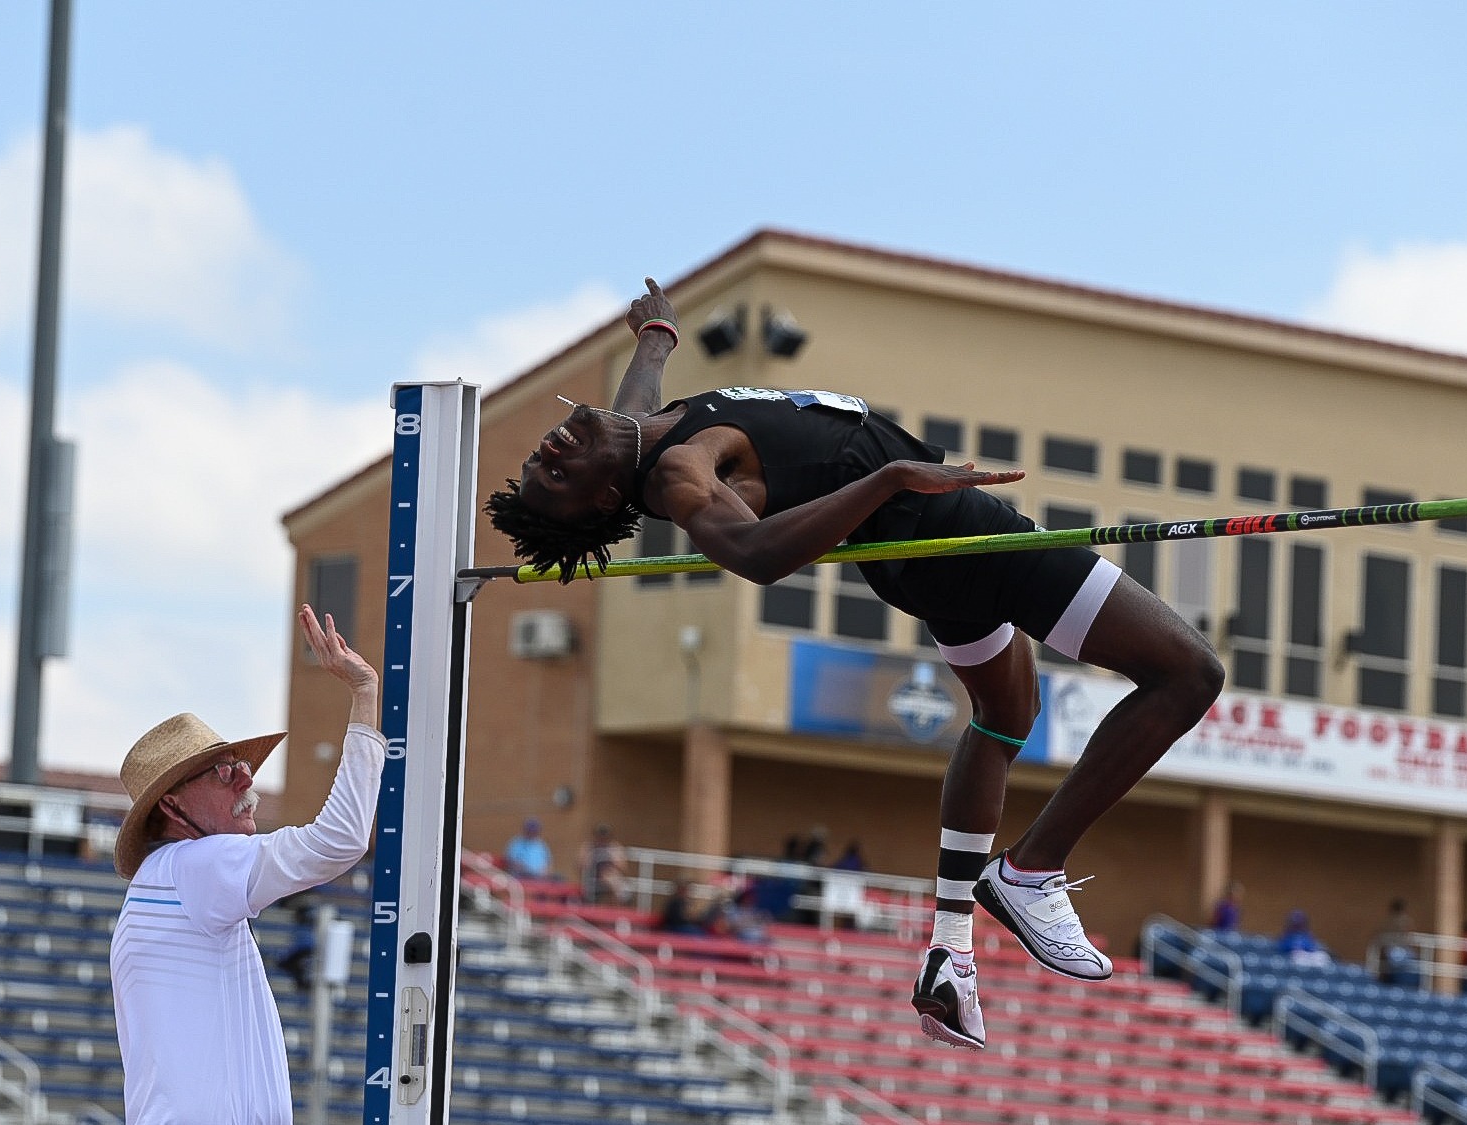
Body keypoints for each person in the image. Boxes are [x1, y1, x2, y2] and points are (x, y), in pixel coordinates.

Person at [485, 280, 1224, 1051]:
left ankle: (950, 950)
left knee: (1006, 717)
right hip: (955, 532)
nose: (551, 451)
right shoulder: (681, 474)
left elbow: (632, 407)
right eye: (556, 475)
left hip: (920, 557)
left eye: (542, 458)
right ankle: (1032, 868)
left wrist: (658, 335)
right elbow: (756, 555)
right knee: (1188, 673)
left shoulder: (640, 436)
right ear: (607, 496)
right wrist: (892, 478)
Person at [109, 605, 379, 1124]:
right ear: (171, 806)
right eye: (223, 772)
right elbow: (340, 839)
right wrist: (364, 693)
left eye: (243, 767)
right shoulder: (194, 865)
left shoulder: (166, 879)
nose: (246, 781)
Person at [580, 823, 630, 904]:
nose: (602, 839)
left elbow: (624, 868)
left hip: (611, 876)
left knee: (610, 875)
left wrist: (614, 859)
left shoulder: (615, 847)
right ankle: (623, 894)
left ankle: (622, 897)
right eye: (599, 836)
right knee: (608, 877)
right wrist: (589, 857)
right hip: (592, 877)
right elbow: (581, 866)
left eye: (605, 836)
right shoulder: (588, 846)